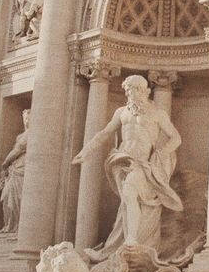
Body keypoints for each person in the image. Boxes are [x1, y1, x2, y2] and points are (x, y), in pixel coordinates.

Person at [73, 75, 183, 258]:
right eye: (128, 90)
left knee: (130, 193)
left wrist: (160, 154)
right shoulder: (122, 112)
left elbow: (176, 138)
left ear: (144, 91)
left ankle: (131, 239)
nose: (130, 94)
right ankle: (116, 245)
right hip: (122, 160)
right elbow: (105, 133)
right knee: (126, 201)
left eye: (134, 90)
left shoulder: (157, 113)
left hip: (142, 163)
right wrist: (86, 151)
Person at [0, 110, 30, 233]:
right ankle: (9, 225)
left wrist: (5, 162)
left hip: (22, 167)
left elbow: (18, 150)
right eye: (25, 118)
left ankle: (15, 226)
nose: (26, 120)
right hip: (16, 168)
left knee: (18, 197)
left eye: (29, 118)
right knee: (7, 196)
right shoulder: (20, 136)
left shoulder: (29, 134)